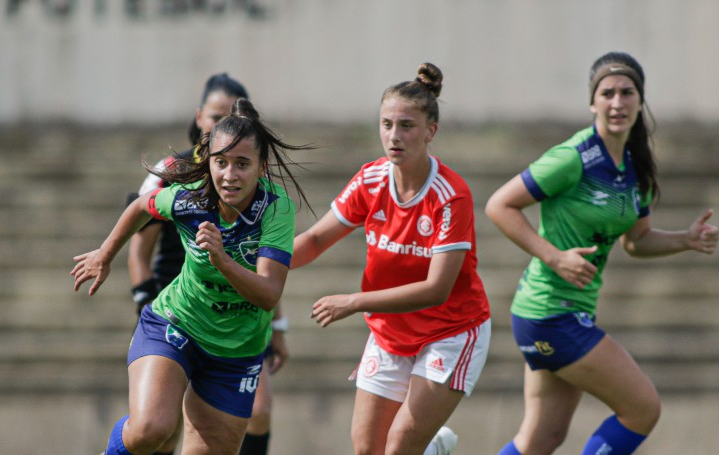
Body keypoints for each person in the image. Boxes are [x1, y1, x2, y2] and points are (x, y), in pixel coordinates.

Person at [486, 52, 719, 455]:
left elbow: (636, 241)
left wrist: (686, 239)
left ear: (640, 101)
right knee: (642, 408)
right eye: (607, 93)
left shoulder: (635, 168)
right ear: (592, 103)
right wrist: (554, 256)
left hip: (567, 311)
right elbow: (499, 206)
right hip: (549, 313)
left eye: (627, 93)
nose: (617, 102)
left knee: (540, 438)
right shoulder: (574, 157)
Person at [72, 98, 311, 455]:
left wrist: (223, 260)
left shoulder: (276, 208)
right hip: (176, 324)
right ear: (209, 161)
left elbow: (269, 293)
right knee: (151, 429)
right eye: (221, 163)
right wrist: (105, 254)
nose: (229, 175)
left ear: (261, 167)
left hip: (237, 351)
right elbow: (140, 206)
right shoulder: (190, 199)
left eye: (242, 164)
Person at [291, 62, 491, 455]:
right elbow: (314, 240)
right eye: (386, 124)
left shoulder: (451, 195)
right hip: (390, 333)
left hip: (450, 332)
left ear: (430, 131)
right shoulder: (370, 179)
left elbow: (436, 290)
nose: (393, 136)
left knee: (399, 446)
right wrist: (251, 265)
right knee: (368, 448)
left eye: (406, 126)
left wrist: (353, 301)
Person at [126, 73, 288, 455]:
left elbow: (267, 271)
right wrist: (142, 300)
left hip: (237, 322)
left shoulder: (268, 198)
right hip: (179, 310)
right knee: (157, 430)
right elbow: (139, 246)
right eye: (215, 119)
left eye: (231, 119)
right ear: (200, 118)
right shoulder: (173, 173)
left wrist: (278, 327)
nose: (223, 129)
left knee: (258, 411)